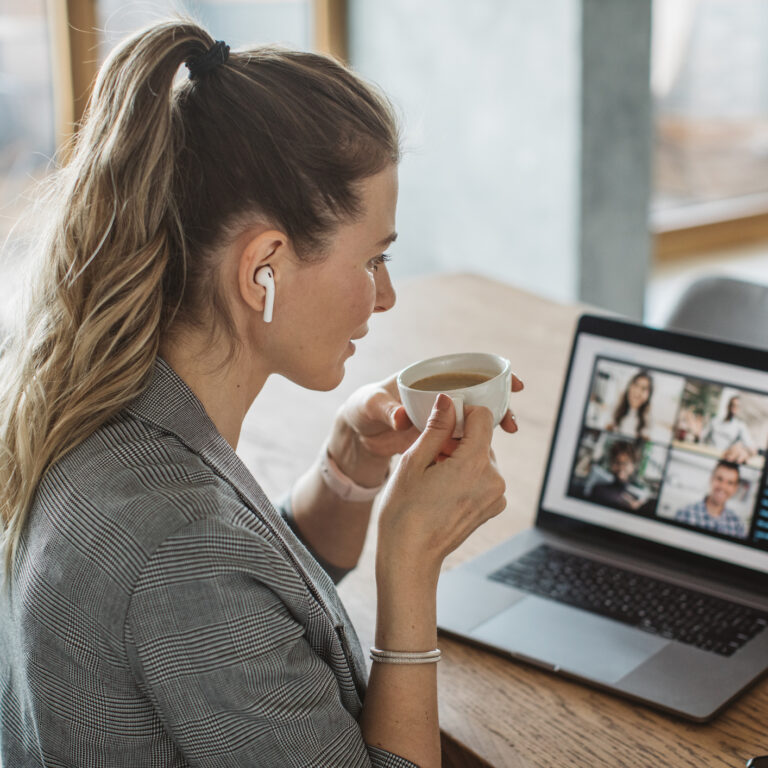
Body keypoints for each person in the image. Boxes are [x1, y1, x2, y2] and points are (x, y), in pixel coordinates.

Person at [0, 21, 522, 768]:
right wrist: (411, 564)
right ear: (263, 270)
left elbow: (249, 610)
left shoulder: (112, 410)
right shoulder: (180, 545)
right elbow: (202, 576)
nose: (386, 297)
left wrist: (349, 470)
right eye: (373, 259)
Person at [674, 460, 747, 539]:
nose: (723, 486)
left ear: (735, 488)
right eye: (719, 479)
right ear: (711, 479)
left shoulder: (738, 526)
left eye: (730, 483)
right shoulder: (684, 514)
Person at [590, 440, 646, 512]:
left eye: (625, 463)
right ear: (611, 464)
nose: (621, 467)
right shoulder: (599, 490)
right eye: (616, 462)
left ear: (633, 466)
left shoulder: (637, 496)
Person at [701, 395, 757, 464]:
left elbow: (750, 446)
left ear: (739, 409)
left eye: (737, 406)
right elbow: (702, 437)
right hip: (708, 458)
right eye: (732, 405)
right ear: (728, 406)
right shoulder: (715, 421)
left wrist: (746, 452)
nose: (734, 408)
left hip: (724, 462)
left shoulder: (740, 426)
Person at [605, 370, 654, 441]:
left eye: (644, 388)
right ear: (629, 386)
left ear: (649, 395)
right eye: (636, 385)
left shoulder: (648, 419)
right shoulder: (614, 408)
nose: (637, 391)